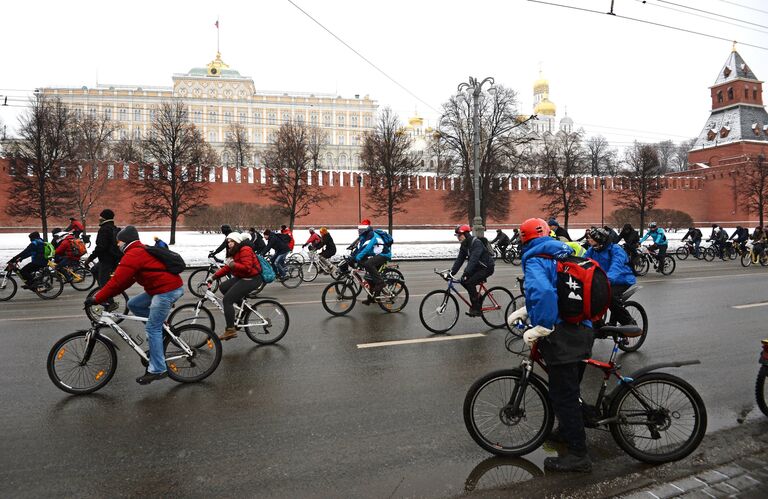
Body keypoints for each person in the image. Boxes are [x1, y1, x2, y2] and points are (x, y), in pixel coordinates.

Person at [507, 217, 593, 473]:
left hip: (563, 336)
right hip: (581, 328)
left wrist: (541, 326)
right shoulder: (562, 251)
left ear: (524, 239)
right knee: (568, 390)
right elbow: (557, 291)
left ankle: (579, 455)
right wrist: (525, 310)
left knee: (563, 395)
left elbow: (543, 293)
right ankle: (567, 430)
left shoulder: (535, 258)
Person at [85, 226, 184, 385]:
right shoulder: (137, 252)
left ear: (125, 241)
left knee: (152, 328)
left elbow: (116, 281)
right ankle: (162, 329)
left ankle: (158, 369)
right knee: (133, 304)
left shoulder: (133, 254)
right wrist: (107, 294)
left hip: (167, 290)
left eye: (119, 242)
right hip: (158, 288)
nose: (117, 245)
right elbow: (124, 281)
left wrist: (97, 298)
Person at [207, 232, 263, 341]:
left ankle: (230, 330)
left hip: (252, 278)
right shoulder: (235, 251)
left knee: (227, 300)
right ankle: (245, 307)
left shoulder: (245, 249)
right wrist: (213, 277)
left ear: (237, 241)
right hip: (243, 277)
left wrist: (233, 264)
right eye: (228, 242)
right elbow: (228, 268)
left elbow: (247, 267)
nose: (229, 244)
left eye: (231, 241)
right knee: (223, 287)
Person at [584, 227, 636, 326]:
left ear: (600, 240)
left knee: (610, 297)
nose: (588, 240)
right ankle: (597, 323)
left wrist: (607, 279)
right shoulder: (592, 250)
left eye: (591, 238)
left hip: (622, 279)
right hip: (603, 280)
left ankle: (629, 322)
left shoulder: (615, 250)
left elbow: (616, 266)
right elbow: (583, 262)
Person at [449, 224, 495, 316]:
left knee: (470, 282)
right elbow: (460, 260)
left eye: (459, 235)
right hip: (478, 267)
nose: (458, 238)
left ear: (466, 234)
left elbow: (474, 259)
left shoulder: (476, 243)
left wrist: (466, 272)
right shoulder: (464, 245)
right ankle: (478, 297)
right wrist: (452, 272)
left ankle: (476, 308)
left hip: (487, 267)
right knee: (463, 280)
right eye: (457, 236)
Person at [83, 209, 121, 310]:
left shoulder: (104, 229)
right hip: (111, 259)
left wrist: (90, 259)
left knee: (104, 281)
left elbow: (101, 247)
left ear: (104, 217)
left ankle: (110, 302)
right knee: (94, 270)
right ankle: (104, 292)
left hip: (107, 261)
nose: (99, 218)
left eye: (100, 216)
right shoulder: (113, 228)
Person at [354, 220, 393, 305]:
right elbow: (360, 248)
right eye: (359, 230)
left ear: (366, 229)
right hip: (377, 255)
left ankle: (381, 283)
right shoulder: (364, 236)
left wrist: (358, 257)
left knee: (368, 264)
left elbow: (367, 248)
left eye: (361, 230)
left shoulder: (372, 235)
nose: (359, 231)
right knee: (369, 278)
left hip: (384, 254)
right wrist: (353, 256)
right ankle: (372, 298)